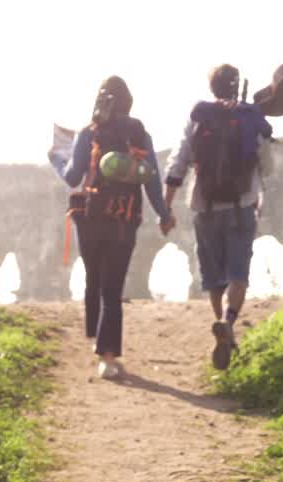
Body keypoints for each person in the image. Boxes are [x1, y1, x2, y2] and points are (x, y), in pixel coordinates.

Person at [51, 76, 175, 379]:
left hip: (91, 217)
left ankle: (95, 336)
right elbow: (152, 182)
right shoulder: (140, 136)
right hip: (124, 218)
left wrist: (55, 158)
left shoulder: (88, 133)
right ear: (129, 104)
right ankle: (107, 356)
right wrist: (164, 214)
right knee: (112, 286)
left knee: (93, 277)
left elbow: (72, 177)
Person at [163, 64, 273, 370]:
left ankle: (225, 333)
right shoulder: (251, 118)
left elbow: (179, 161)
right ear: (236, 87)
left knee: (214, 279)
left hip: (205, 208)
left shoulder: (200, 116)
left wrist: (166, 207)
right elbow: (268, 165)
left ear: (212, 88)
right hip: (242, 208)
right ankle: (228, 321)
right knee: (238, 277)